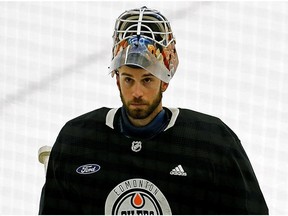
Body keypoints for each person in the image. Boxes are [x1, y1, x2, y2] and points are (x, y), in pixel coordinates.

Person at [39, 6, 268, 215]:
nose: (137, 92)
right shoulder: (77, 140)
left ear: (164, 81)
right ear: (117, 79)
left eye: (147, 80)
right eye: (128, 79)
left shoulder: (212, 142)